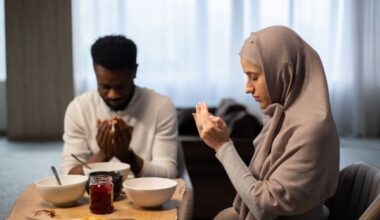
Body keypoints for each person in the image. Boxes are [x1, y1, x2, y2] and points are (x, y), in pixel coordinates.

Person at [193, 26, 339, 220]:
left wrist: (223, 146)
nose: (247, 88)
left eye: (254, 76)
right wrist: (222, 141)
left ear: (283, 71)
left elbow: (265, 207)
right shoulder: (280, 116)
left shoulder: (312, 131)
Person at [61, 35, 178, 178]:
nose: (112, 95)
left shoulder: (161, 106)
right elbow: (69, 175)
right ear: (95, 73)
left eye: (120, 86)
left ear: (135, 71)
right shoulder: (78, 109)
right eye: (104, 86)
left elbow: (169, 174)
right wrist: (105, 153)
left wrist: (127, 156)